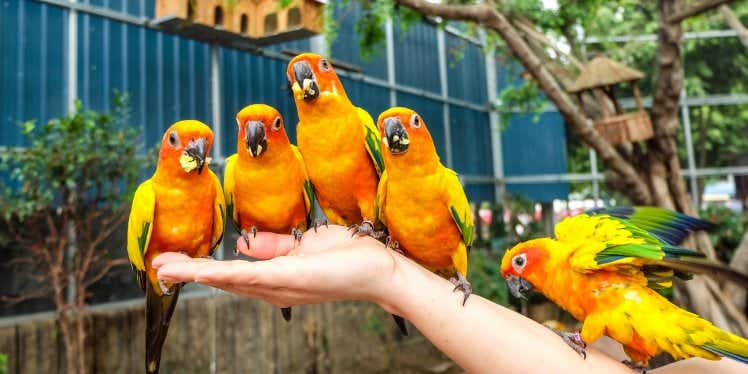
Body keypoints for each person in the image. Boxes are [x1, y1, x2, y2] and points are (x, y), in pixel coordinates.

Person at [154, 225, 746, 373]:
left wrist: (396, 279)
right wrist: (392, 277)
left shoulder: (576, 254)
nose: (515, 274)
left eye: (517, 264)